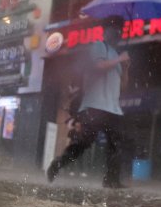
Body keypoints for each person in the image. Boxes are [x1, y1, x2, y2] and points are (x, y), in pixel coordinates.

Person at [47, 15, 131, 188]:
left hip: (113, 109)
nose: (117, 33)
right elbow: (98, 67)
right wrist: (119, 60)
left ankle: (111, 179)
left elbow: (122, 87)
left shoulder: (116, 55)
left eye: (119, 30)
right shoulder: (99, 46)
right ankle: (58, 164)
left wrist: (125, 68)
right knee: (83, 143)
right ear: (105, 32)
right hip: (94, 107)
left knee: (117, 144)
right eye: (113, 29)